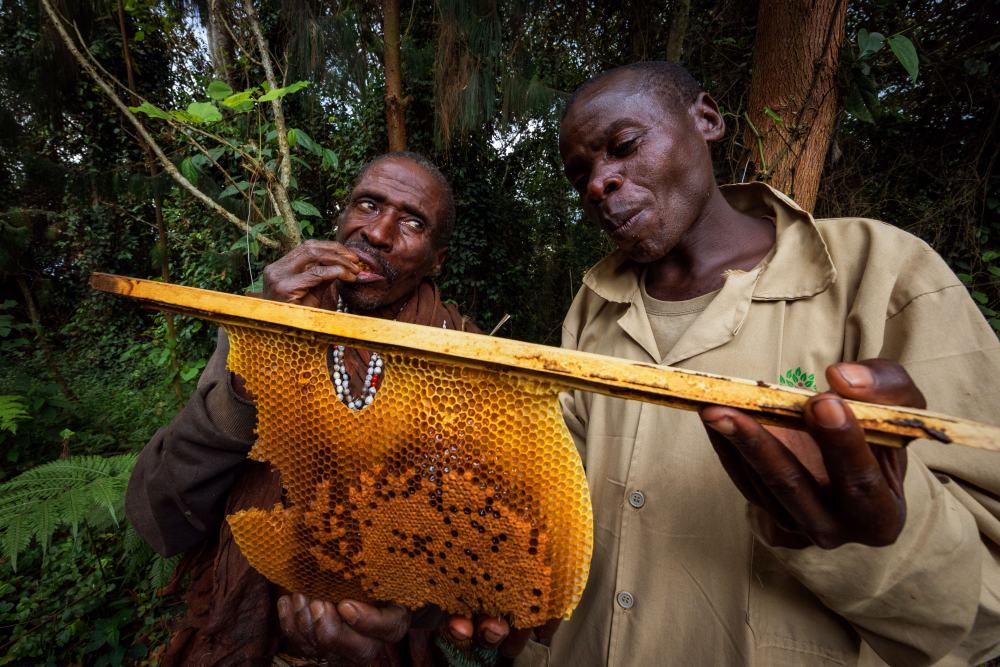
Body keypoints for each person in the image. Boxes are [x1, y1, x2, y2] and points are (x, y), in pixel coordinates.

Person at [515, 62, 1000, 666]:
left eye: (624, 146)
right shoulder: (593, 307)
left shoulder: (879, 271)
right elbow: (560, 513)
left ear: (707, 120)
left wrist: (883, 540)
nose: (598, 184)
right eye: (581, 173)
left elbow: (987, 605)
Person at [126, 152, 515, 666]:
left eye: (412, 222)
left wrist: (403, 615)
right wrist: (261, 358)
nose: (377, 233)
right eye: (368, 204)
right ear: (341, 216)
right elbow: (161, 515)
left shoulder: (465, 359)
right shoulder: (263, 323)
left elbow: (466, 561)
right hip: (244, 643)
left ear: (436, 260)